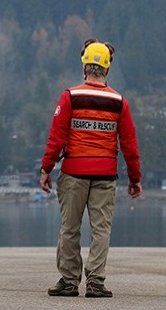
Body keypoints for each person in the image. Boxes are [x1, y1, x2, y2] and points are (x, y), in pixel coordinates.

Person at [39, 38, 142, 298]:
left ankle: (70, 281)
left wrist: (46, 169)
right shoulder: (120, 102)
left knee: (70, 228)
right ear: (107, 70)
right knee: (101, 229)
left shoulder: (70, 97)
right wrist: (135, 178)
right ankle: (95, 282)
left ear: (85, 67)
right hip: (105, 175)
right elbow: (129, 143)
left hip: (73, 173)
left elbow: (56, 137)